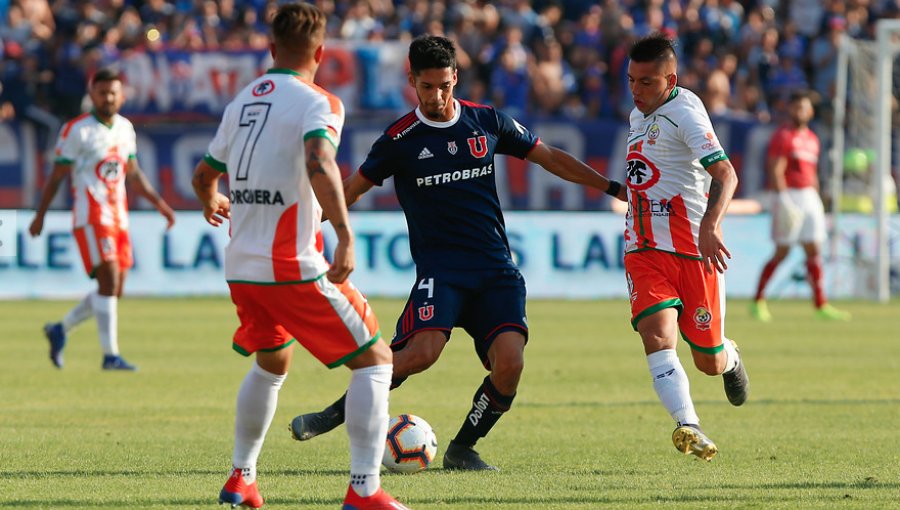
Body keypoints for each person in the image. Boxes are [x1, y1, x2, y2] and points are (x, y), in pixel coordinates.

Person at [290, 34, 627, 471]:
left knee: (510, 364)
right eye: (426, 87)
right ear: (412, 80)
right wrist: (300, 226)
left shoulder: (486, 121)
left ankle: (462, 448)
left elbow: (549, 158)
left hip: (494, 270)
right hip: (442, 272)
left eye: (444, 86)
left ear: (456, 78)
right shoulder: (399, 139)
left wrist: (613, 187)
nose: (436, 96)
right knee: (420, 355)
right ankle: (332, 413)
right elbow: (350, 190)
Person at [190, 4, 408, 509]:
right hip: (292, 265)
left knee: (272, 360)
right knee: (376, 359)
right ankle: (364, 490)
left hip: (241, 268)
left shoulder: (241, 102)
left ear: (271, 49)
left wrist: (210, 202)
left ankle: (241, 477)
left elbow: (204, 177)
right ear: (321, 52)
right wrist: (346, 234)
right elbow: (319, 159)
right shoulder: (321, 103)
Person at [621, 34, 749, 461]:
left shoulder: (686, 114)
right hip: (644, 250)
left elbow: (727, 174)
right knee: (656, 334)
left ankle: (731, 357)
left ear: (669, 79)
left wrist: (711, 224)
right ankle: (688, 425)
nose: (636, 91)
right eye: (632, 81)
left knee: (708, 361)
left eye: (646, 82)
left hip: (695, 252)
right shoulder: (639, 116)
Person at [29, 67, 175, 372]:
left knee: (114, 288)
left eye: (113, 92)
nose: (107, 98)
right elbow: (57, 176)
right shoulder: (76, 130)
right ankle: (111, 356)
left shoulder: (125, 128)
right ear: (92, 94)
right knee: (108, 278)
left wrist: (160, 204)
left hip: (119, 215)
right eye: (102, 92)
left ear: (121, 96)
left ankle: (60, 329)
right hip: (91, 214)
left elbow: (132, 174)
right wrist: (40, 215)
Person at [751, 91, 851, 322]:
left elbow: (812, 173)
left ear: (810, 111)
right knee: (782, 251)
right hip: (789, 196)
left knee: (814, 250)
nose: (799, 112)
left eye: (803, 108)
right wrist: (783, 200)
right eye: (795, 108)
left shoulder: (812, 139)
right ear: (790, 110)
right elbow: (776, 169)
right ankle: (758, 300)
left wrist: (817, 198)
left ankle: (820, 303)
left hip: (808, 196)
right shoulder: (783, 135)